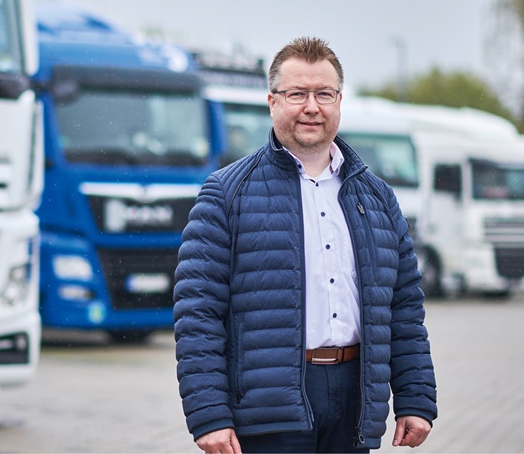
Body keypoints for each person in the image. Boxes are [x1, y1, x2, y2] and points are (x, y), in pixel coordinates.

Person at [173, 36, 437, 454]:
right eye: (297, 93)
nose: (312, 106)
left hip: (355, 401)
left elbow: (403, 309)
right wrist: (209, 414)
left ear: (339, 100)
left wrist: (416, 398)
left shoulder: (378, 198)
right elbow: (198, 312)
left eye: (324, 94)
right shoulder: (226, 194)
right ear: (272, 101)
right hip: (268, 404)